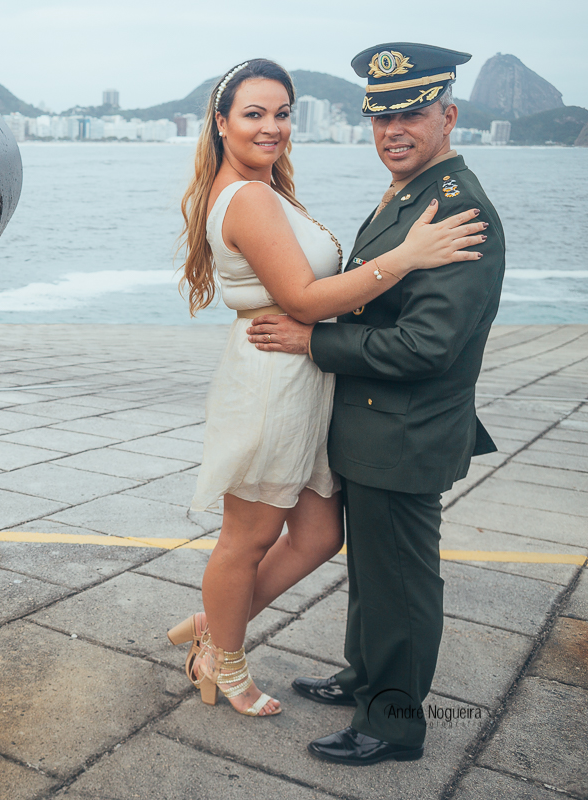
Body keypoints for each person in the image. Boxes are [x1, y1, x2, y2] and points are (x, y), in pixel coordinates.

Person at [168, 58, 486, 719]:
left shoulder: (264, 187)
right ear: (220, 123)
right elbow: (303, 301)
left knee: (315, 535)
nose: (272, 127)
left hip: (304, 379)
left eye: (282, 113)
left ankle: (210, 627)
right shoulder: (249, 196)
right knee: (245, 537)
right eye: (253, 114)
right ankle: (223, 663)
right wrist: (405, 257)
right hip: (272, 379)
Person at [247, 43, 505, 763]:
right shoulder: (412, 193)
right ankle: (365, 675)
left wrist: (312, 341)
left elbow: (428, 346)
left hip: (405, 433)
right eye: (381, 117)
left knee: (399, 583)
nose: (393, 130)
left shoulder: (457, 213)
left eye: (413, 113)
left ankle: (390, 724)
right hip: (375, 428)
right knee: (374, 573)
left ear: (447, 116)